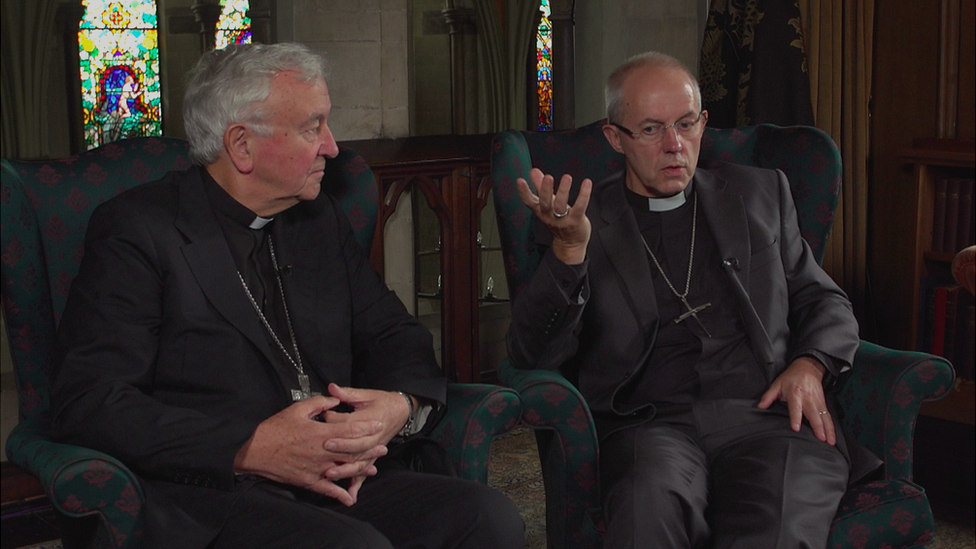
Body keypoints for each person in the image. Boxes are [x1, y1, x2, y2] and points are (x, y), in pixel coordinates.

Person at [51, 43, 524, 549]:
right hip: (221, 493)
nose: (332, 147)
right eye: (311, 127)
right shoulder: (139, 231)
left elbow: (393, 333)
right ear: (242, 146)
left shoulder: (316, 220)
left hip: (340, 475)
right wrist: (250, 447)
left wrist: (398, 404)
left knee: (487, 518)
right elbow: (92, 400)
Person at [507, 51, 879, 548]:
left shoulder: (761, 194)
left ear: (704, 122)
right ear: (614, 137)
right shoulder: (577, 221)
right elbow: (532, 354)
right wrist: (569, 250)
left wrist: (810, 365)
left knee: (779, 524)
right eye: (651, 129)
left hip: (767, 418)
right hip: (650, 426)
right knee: (647, 511)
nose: (674, 145)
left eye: (686, 124)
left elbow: (823, 300)